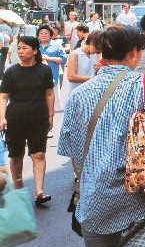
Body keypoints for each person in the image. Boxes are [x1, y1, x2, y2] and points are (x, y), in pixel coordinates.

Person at [59, 26, 145, 247]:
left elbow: (71, 151)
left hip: (93, 200)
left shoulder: (79, 95)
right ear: (133, 53)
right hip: (137, 202)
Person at [0, 36, 55, 206]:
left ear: (35, 51)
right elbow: (3, 97)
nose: (20, 51)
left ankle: (39, 191)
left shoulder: (44, 70)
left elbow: (49, 94)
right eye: (19, 48)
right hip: (14, 119)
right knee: (16, 156)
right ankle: (19, 190)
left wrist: (51, 115)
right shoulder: (11, 72)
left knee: (38, 154)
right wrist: (2, 117)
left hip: (38, 118)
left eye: (24, 48)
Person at [61, 30, 102, 109]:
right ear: (92, 43)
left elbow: (97, 72)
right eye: (98, 48)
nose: (99, 51)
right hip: (77, 96)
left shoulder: (96, 54)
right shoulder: (75, 54)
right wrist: (93, 79)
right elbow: (71, 77)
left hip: (92, 95)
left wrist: (98, 70)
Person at [38, 24, 67, 89]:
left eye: (46, 33)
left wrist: (49, 58)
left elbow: (64, 60)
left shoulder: (57, 45)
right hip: (37, 81)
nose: (43, 35)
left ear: (50, 34)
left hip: (53, 80)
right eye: (41, 33)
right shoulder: (35, 46)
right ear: (38, 35)